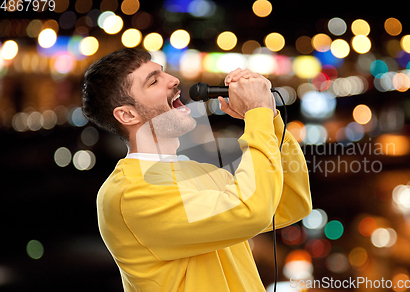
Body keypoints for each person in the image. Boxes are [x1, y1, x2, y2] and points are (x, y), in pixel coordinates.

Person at [81, 47, 312, 292]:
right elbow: (250, 210)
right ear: (127, 114)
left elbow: (290, 203)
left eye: (164, 72)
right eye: (153, 81)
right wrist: (257, 114)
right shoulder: (128, 193)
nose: (174, 80)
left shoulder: (199, 171)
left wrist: (270, 118)